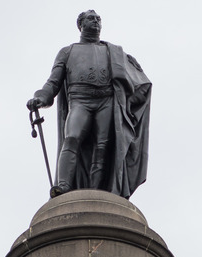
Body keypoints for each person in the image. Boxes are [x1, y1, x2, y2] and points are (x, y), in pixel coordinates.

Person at [27, 10, 152, 199]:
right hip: (80, 100)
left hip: (106, 101)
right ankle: (63, 186)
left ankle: (97, 191)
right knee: (72, 138)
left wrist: (124, 103)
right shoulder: (67, 51)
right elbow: (52, 83)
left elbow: (142, 84)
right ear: (80, 24)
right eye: (91, 19)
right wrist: (40, 98)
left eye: (98, 19)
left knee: (102, 147)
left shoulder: (115, 52)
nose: (96, 22)